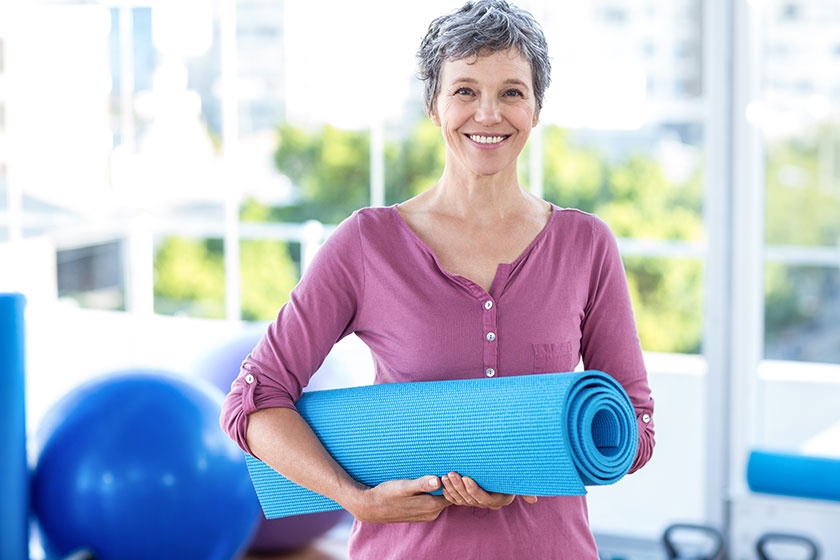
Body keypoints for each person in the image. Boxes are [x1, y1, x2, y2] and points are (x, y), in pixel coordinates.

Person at [220, 1, 655, 558]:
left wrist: (532, 461)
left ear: (536, 108)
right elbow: (254, 402)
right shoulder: (368, 244)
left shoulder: (585, 244)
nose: (489, 114)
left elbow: (635, 429)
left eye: (512, 92)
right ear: (434, 104)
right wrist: (356, 498)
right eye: (465, 91)